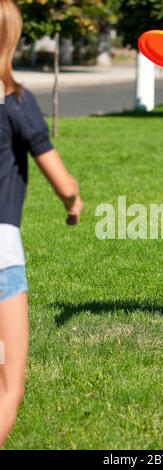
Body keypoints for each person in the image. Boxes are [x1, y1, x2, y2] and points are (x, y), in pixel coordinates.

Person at [0, 0, 83, 447]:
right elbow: (63, 182)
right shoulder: (15, 101)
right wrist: (73, 203)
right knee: (7, 387)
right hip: (1, 256)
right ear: (11, 39)